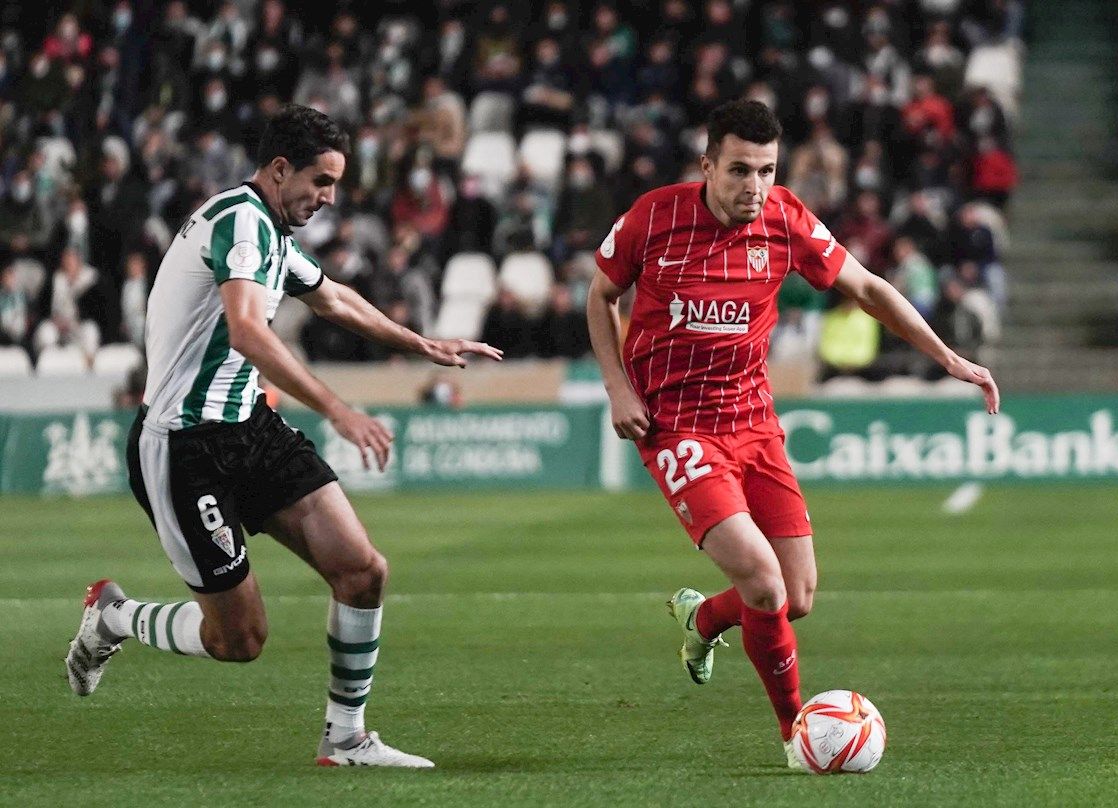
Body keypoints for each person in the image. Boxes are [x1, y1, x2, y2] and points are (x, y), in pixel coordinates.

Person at [65, 104, 503, 768]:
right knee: (239, 640)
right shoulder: (240, 222)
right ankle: (114, 617)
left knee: (362, 572)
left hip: (250, 428)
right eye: (321, 182)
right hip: (184, 447)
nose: (329, 198)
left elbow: (333, 297)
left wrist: (422, 343)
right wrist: (337, 408)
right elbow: (247, 331)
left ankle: (346, 739)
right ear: (278, 170)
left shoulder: (269, 231)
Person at [585, 99, 998, 769]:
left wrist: (947, 356)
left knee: (795, 597)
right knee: (762, 579)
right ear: (707, 165)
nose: (754, 186)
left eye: (767, 171)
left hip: (754, 422)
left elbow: (867, 288)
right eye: (739, 170)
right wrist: (617, 387)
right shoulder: (653, 217)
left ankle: (703, 619)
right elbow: (599, 296)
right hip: (676, 425)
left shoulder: (786, 219)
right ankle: (795, 735)